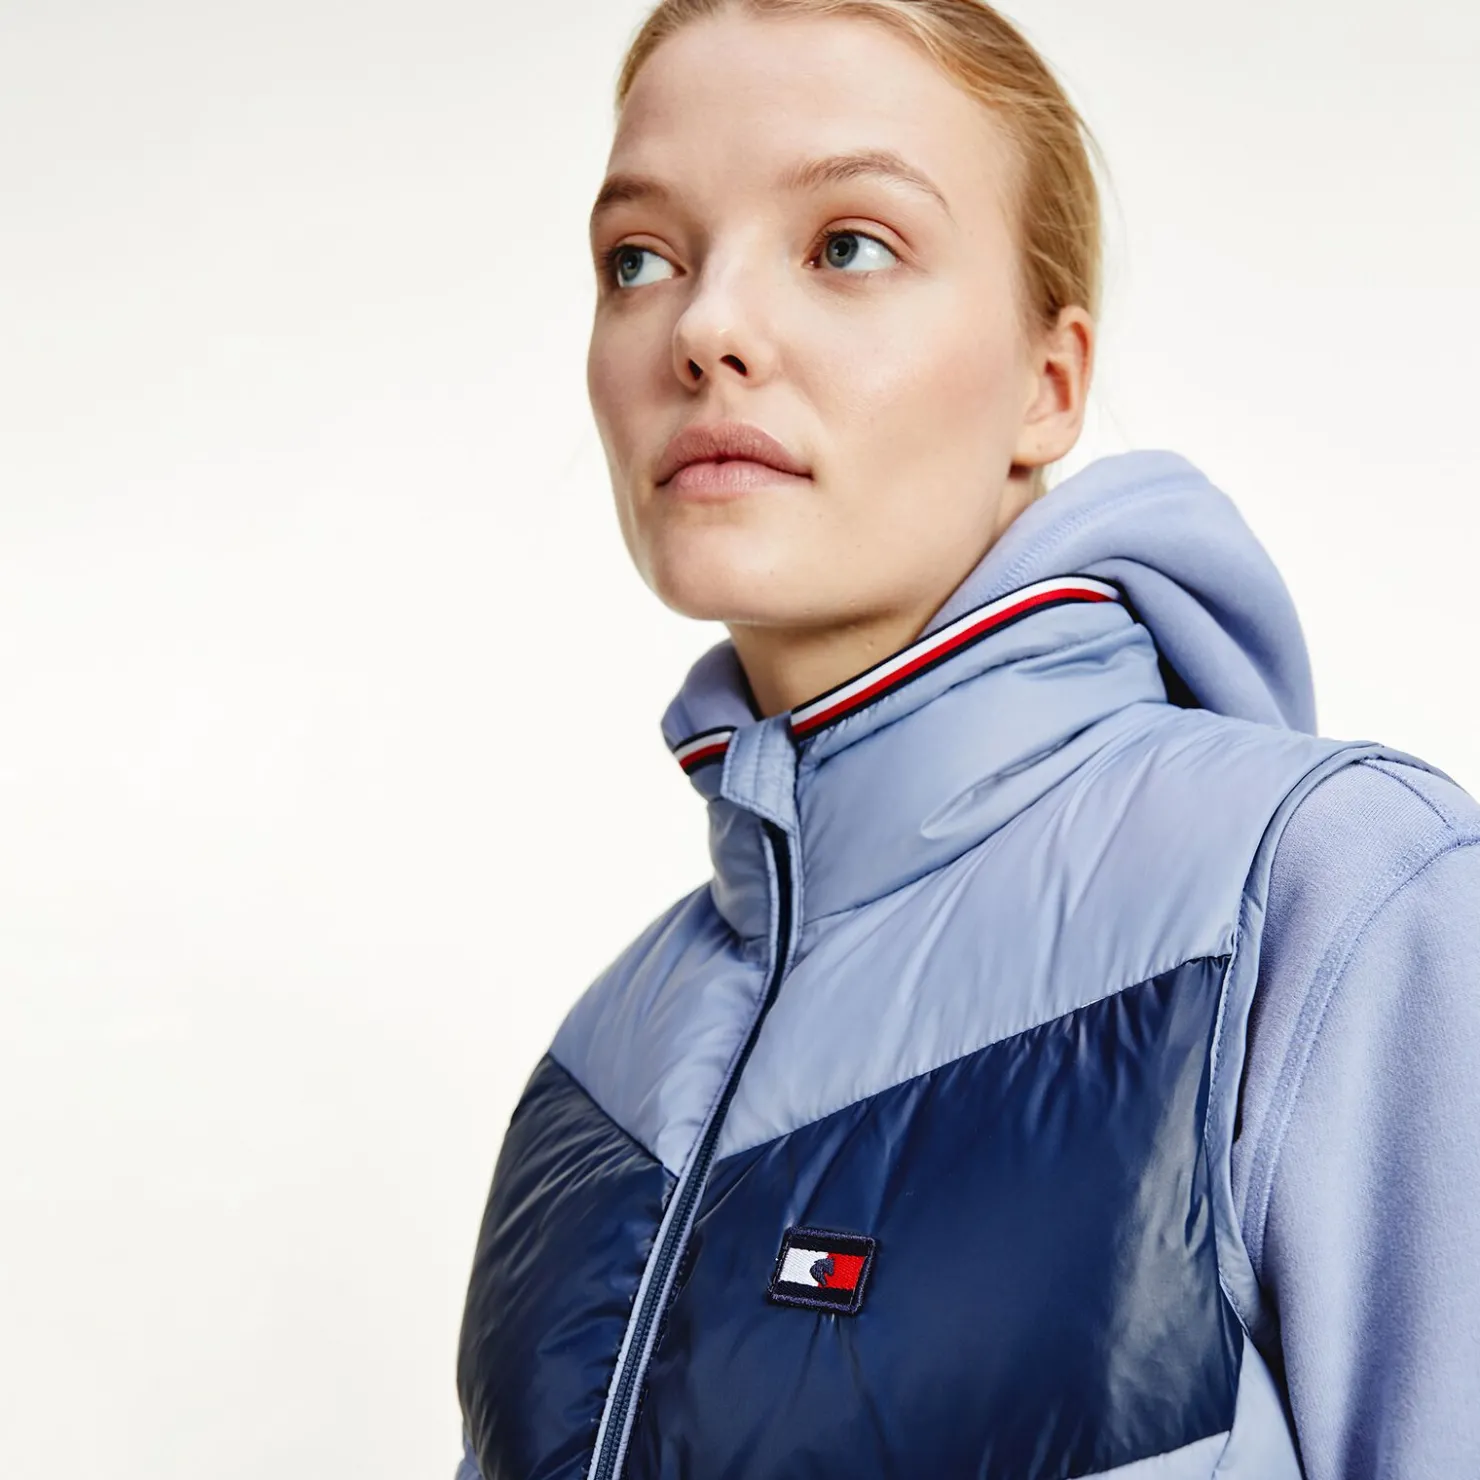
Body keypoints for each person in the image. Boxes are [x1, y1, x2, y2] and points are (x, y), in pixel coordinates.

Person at [454, 2, 1480, 1476]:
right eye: (641, 259)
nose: (705, 327)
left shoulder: (1334, 896)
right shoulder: (599, 1065)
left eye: (847, 246)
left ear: (1048, 385)